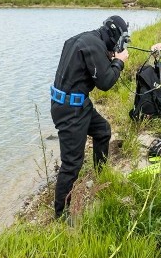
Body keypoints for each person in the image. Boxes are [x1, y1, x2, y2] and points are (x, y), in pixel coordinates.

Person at [50, 15, 129, 219]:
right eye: (123, 40)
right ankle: (61, 215)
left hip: (77, 103)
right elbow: (105, 83)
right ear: (115, 36)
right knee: (72, 164)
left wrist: (108, 58)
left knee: (103, 131)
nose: (122, 45)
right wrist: (119, 62)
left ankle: (101, 176)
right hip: (71, 109)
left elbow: (87, 69)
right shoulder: (93, 46)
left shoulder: (86, 39)